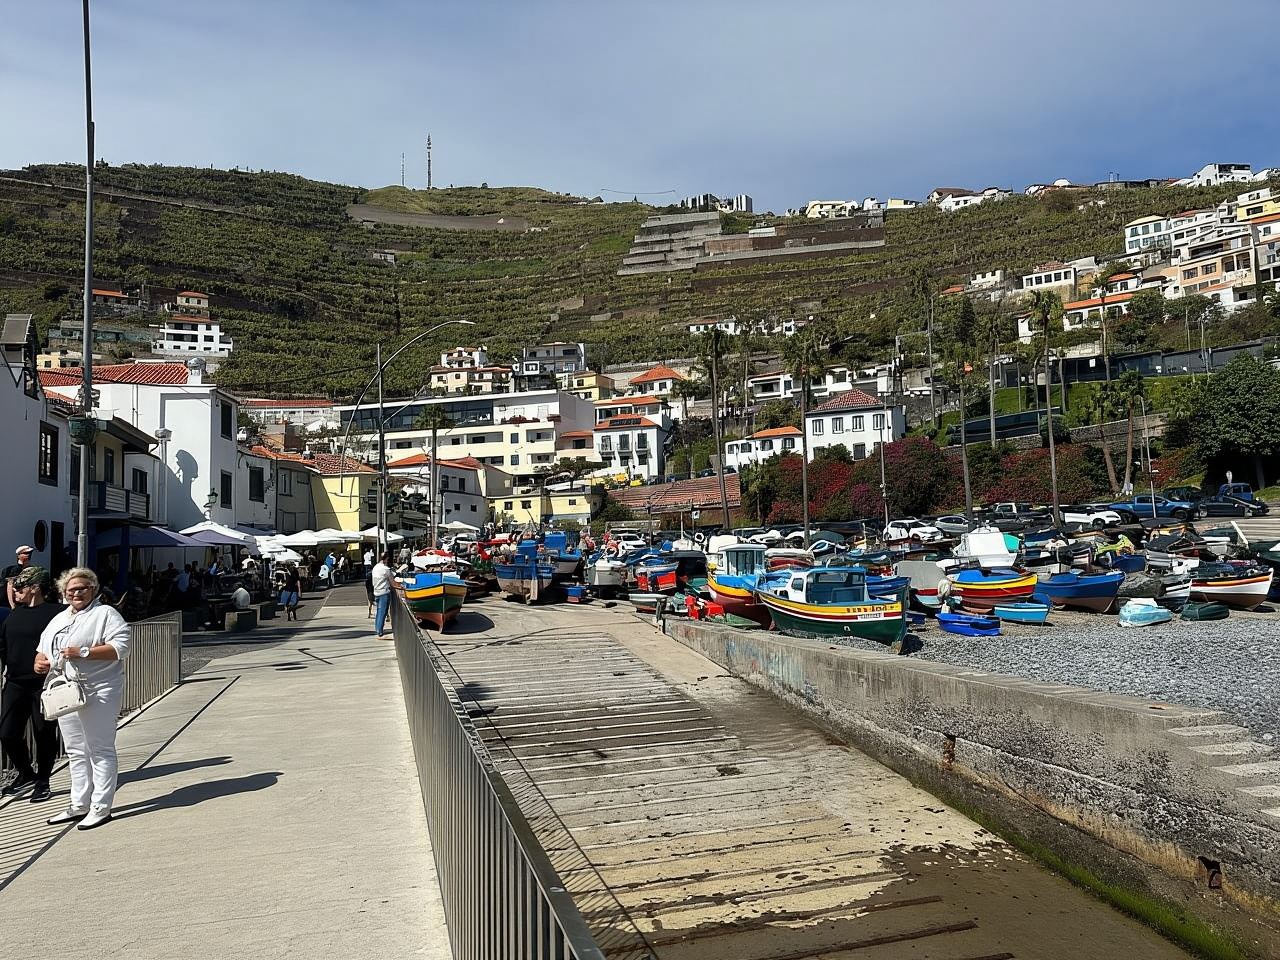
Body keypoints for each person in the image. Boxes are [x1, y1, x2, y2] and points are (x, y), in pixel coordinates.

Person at [34, 567, 130, 830]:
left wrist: (84, 652)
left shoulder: (105, 614)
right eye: (71, 590)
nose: (77, 593)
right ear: (64, 593)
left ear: (93, 589)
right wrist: (40, 662)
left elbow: (121, 648)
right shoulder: (59, 618)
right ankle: (79, 803)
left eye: (82, 588)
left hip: (99, 689)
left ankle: (101, 806)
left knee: (100, 748)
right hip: (66, 690)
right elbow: (42, 650)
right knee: (76, 750)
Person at [0, 566, 65, 801]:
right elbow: (4, 645)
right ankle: (26, 773)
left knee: (43, 733)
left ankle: (43, 780)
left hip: (44, 684)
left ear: (35, 587)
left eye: (19, 587)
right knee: (7, 733)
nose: (15, 591)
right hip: (15, 683)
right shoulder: (14, 614)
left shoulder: (59, 613)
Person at [371, 551, 396, 638]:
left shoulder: (375, 567)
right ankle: (379, 630)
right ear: (387, 559)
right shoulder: (386, 569)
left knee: (379, 610)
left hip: (376, 591)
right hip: (384, 592)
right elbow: (393, 582)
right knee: (383, 612)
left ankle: (377, 628)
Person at [3, 544, 35, 610]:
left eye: (30, 553)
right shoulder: (15, 570)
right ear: (19, 555)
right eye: (25, 553)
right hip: (17, 603)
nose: (28, 555)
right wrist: (12, 605)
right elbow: (10, 586)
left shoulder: (31, 569)